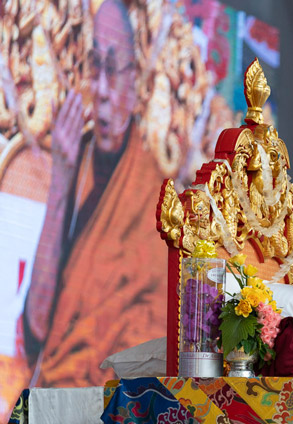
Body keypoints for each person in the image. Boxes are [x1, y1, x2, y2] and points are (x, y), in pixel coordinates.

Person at [22, 0, 168, 388]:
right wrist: (61, 181)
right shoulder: (75, 158)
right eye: (94, 67)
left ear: (135, 81)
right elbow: (36, 328)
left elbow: (147, 348)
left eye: (113, 69)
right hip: (49, 389)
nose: (101, 90)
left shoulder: (155, 198)